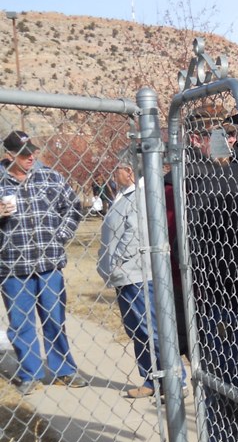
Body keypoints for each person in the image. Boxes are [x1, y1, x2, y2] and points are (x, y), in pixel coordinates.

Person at [0, 130, 86, 394]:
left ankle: (63, 370)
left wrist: (59, 236)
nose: (30, 158)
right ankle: (31, 374)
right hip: (13, 268)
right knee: (21, 322)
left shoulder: (49, 176)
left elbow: (73, 207)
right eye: (24, 154)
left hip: (49, 265)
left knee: (54, 319)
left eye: (32, 152)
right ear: (8, 155)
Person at [96, 149, 178, 399]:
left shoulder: (140, 196)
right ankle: (151, 378)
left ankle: (176, 380)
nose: (114, 173)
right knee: (137, 330)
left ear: (129, 171)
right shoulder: (125, 194)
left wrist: (117, 263)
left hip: (138, 274)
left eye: (118, 168)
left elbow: (136, 234)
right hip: (126, 275)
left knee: (151, 328)